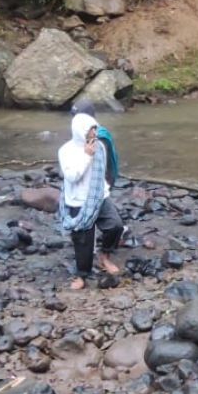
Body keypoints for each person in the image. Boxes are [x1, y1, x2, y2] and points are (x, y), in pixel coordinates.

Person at [59, 113, 125, 290]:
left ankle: (105, 255)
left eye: (95, 128)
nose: (94, 133)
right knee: (82, 240)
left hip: (98, 197)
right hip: (78, 200)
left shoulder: (100, 147)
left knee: (115, 225)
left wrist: (105, 189)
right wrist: (87, 156)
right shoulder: (66, 150)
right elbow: (72, 176)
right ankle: (82, 274)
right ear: (80, 131)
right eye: (90, 130)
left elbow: (102, 170)